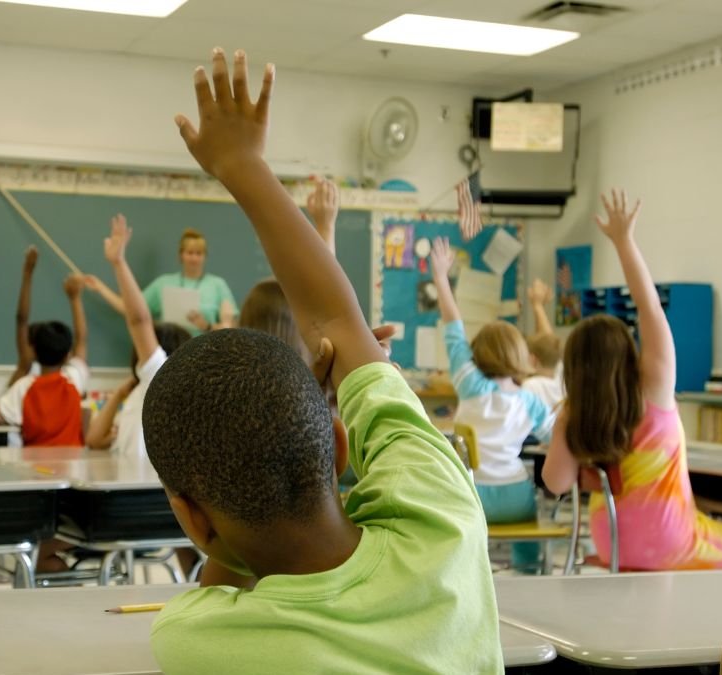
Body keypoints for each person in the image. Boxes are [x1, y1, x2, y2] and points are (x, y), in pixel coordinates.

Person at [141, 47, 500, 674]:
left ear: (192, 519)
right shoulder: (446, 518)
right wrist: (242, 165)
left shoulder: (196, 642)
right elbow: (336, 322)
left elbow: (217, 584)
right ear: (338, 445)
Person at [542, 189, 722, 570]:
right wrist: (623, 241)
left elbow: (556, 483)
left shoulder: (575, 413)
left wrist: (566, 425)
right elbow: (650, 307)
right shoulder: (654, 387)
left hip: (612, 544)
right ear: (628, 352)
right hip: (671, 540)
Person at [431, 237, 553, 570]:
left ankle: (471, 577)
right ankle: (528, 574)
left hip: (473, 494)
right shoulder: (531, 401)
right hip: (516, 497)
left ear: (478, 355)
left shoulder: (470, 384)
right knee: (528, 550)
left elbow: (453, 329)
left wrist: (441, 278)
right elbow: (555, 440)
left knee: (465, 542)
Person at [84, 215, 191, 458]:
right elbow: (94, 440)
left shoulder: (161, 378)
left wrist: (119, 263)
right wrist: (118, 396)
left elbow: (139, 320)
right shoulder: (140, 391)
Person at [0, 246, 89, 447]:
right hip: (73, 462)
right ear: (67, 356)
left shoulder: (23, 387)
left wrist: (27, 273)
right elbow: (82, 339)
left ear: (33, 350)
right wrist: (75, 298)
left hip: (34, 465)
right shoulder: (74, 379)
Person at [86, 228, 236, 335]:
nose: (194, 258)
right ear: (181, 255)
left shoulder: (218, 285)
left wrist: (207, 326)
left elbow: (230, 328)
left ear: (205, 256)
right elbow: (131, 308)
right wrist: (100, 288)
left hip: (207, 353)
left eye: (199, 253)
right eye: (190, 253)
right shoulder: (164, 283)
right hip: (170, 354)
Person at [523, 278, 565, 410]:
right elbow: (548, 341)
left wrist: (537, 305)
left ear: (533, 360)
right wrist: (538, 306)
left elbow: (547, 339)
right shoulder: (562, 379)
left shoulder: (531, 385)